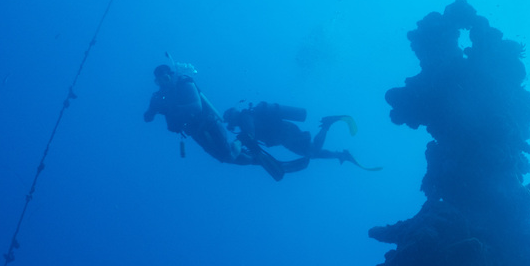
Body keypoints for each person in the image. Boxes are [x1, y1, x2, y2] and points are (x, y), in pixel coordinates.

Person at [143, 65, 284, 180]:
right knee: (223, 158)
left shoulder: (185, 84)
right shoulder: (159, 97)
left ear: (171, 76)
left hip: (209, 123)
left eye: (165, 79)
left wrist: (173, 108)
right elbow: (148, 117)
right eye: (159, 81)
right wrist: (152, 110)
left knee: (229, 155)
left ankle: (242, 140)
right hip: (194, 131)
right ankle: (256, 160)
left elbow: (197, 107)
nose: (163, 84)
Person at [223, 101, 374, 173]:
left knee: (312, 152)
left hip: (285, 133)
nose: (231, 124)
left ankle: (327, 124)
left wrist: (240, 142)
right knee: (312, 152)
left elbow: (250, 132)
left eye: (230, 120)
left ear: (233, 115)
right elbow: (251, 135)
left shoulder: (245, 117)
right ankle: (341, 155)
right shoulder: (245, 119)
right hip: (284, 136)